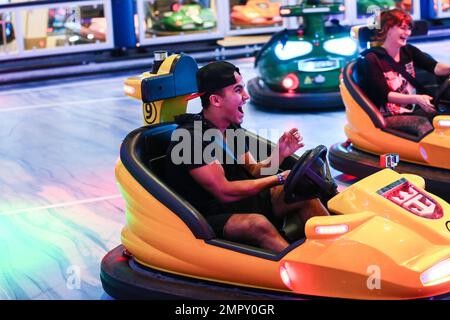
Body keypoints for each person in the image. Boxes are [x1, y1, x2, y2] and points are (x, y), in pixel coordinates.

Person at [165, 61, 329, 253]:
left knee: (304, 194)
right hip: (203, 219)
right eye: (238, 90)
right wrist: (278, 178)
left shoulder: (230, 129)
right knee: (256, 224)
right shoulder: (191, 139)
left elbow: (253, 171)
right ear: (216, 100)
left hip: (236, 204)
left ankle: (336, 253)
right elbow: (224, 191)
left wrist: (280, 153)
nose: (246, 96)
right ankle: (300, 272)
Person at [360, 8, 450, 137]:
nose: (407, 33)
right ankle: (430, 155)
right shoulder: (371, 59)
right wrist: (417, 99)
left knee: (443, 118)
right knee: (421, 123)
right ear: (386, 29)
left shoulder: (408, 51)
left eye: (409, 28)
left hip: (411, 110)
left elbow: (434, 67)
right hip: (386, 116)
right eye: (402, 28)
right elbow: (384, 95)